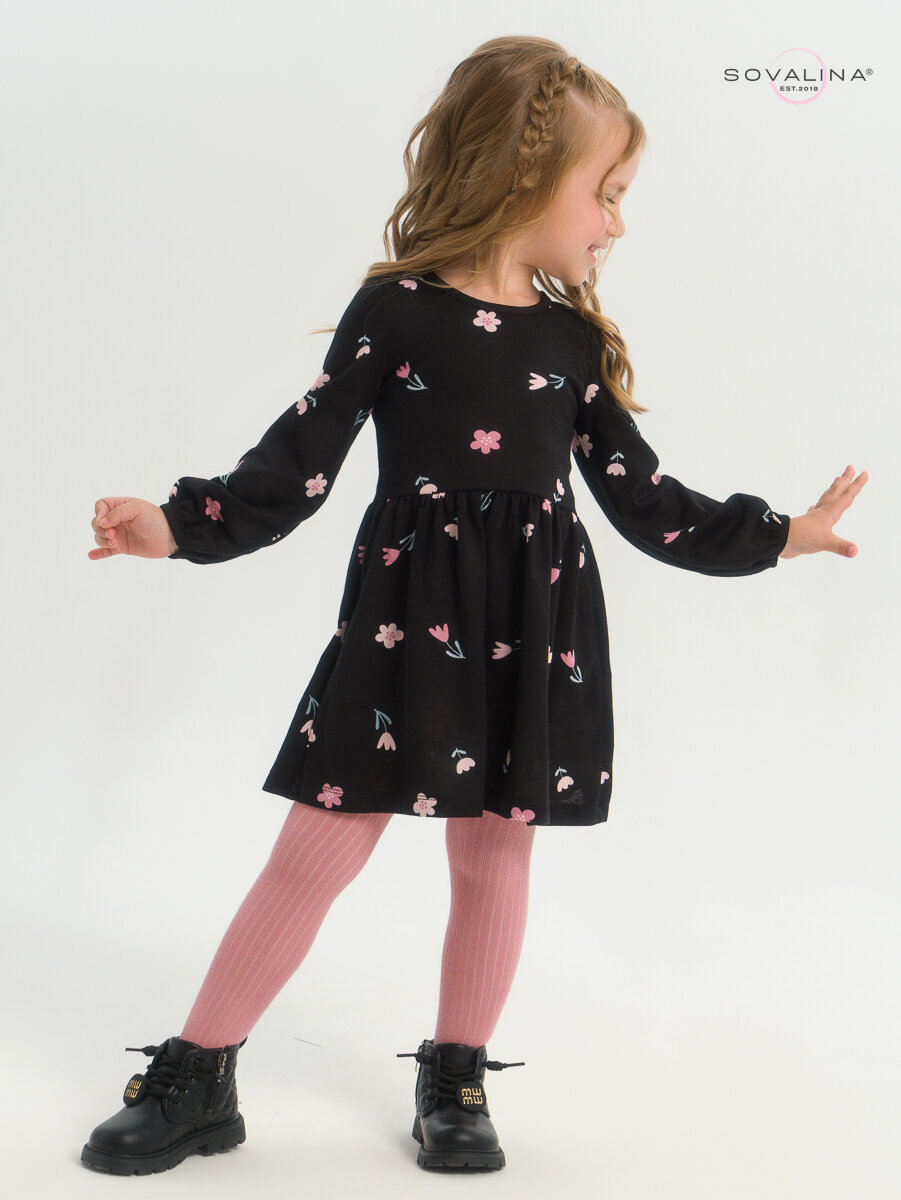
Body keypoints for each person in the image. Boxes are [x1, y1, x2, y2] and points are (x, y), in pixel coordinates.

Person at [80, 35, 867, 1177]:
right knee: (317, 845)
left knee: (494, 855)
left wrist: (780, 533)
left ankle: (456, 1074)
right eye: (606, 192)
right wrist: (171, 524)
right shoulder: (396, 312)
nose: (617, 222)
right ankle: (198, 1074)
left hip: (534, 631)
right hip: (403, 625)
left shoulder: (571, 342)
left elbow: (646, 502)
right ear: (521, 175)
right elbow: (296, 462)